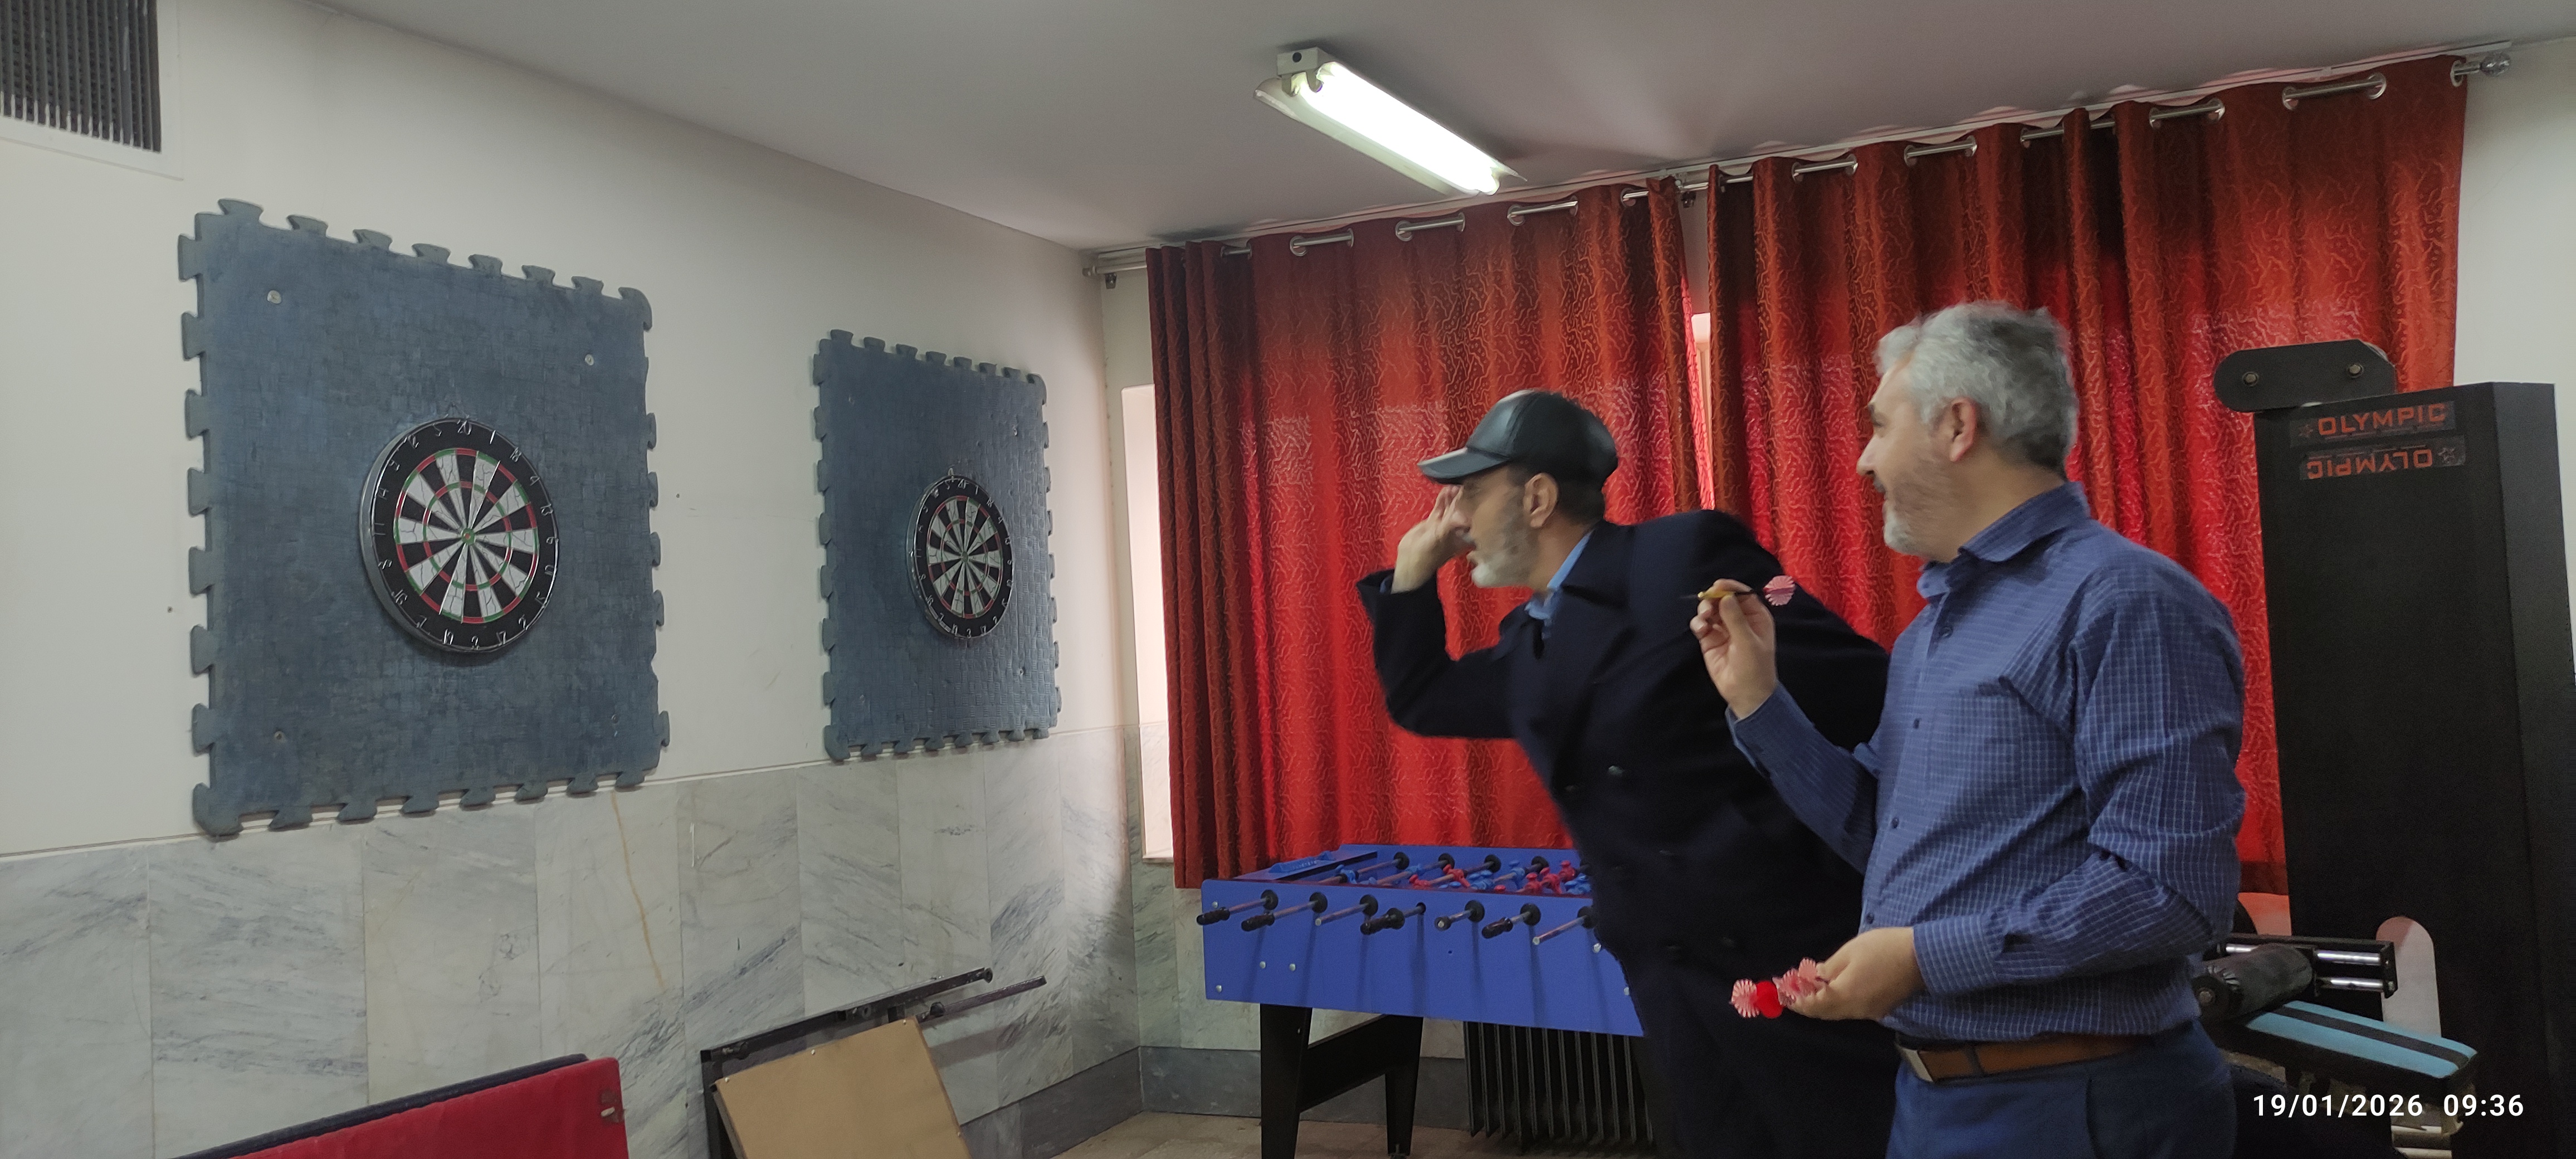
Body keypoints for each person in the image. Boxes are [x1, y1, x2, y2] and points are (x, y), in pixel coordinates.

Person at [1691, 302, 2245, 1158]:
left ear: (1958, 426)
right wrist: (1759, 700)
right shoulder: (1932, 631)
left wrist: (1924, 958)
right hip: (1938, 1097)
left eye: (1880, 426)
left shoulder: (2124, 602)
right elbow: (1880, 827)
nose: (1864, 459)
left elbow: (2172, 893)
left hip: (2077, 1104)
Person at [1356, 389, 1899, 1157]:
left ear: (1537, 498)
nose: (1456, 519)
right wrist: (1412, 574)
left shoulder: (1682, 556)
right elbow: (1423, 699)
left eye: (1471, 493)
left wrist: (1799, 845)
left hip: (1787, 956)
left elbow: (1857, 686)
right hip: (1673, 984)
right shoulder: (1529, 644)